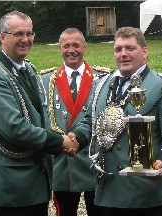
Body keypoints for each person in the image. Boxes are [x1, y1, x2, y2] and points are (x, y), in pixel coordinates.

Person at [71, 27, 162, 215]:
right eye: (118, 49)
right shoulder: (100, 85)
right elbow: (90, 123)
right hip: (107, 190)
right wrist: (75, 138)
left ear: (145, 52)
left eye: (130, 48)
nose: (123, 54)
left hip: (145, 192)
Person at [0, 11, 78, 216]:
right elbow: (15, 128)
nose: (25, 40)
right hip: (13, 188)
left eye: (29, 34)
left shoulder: (28, 68)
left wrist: (65, 137)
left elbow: (42, 116)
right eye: (18, 34)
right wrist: (59, 142)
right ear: (3, 37)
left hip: (37, 184)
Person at [40, 28, 109, 216]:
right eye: (66, 46)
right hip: (63, 162)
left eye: (76, 45)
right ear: (60, 49)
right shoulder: (46, 80)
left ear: (84, 47)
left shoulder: (103, 78)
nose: (72, 50)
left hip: (93, 160)